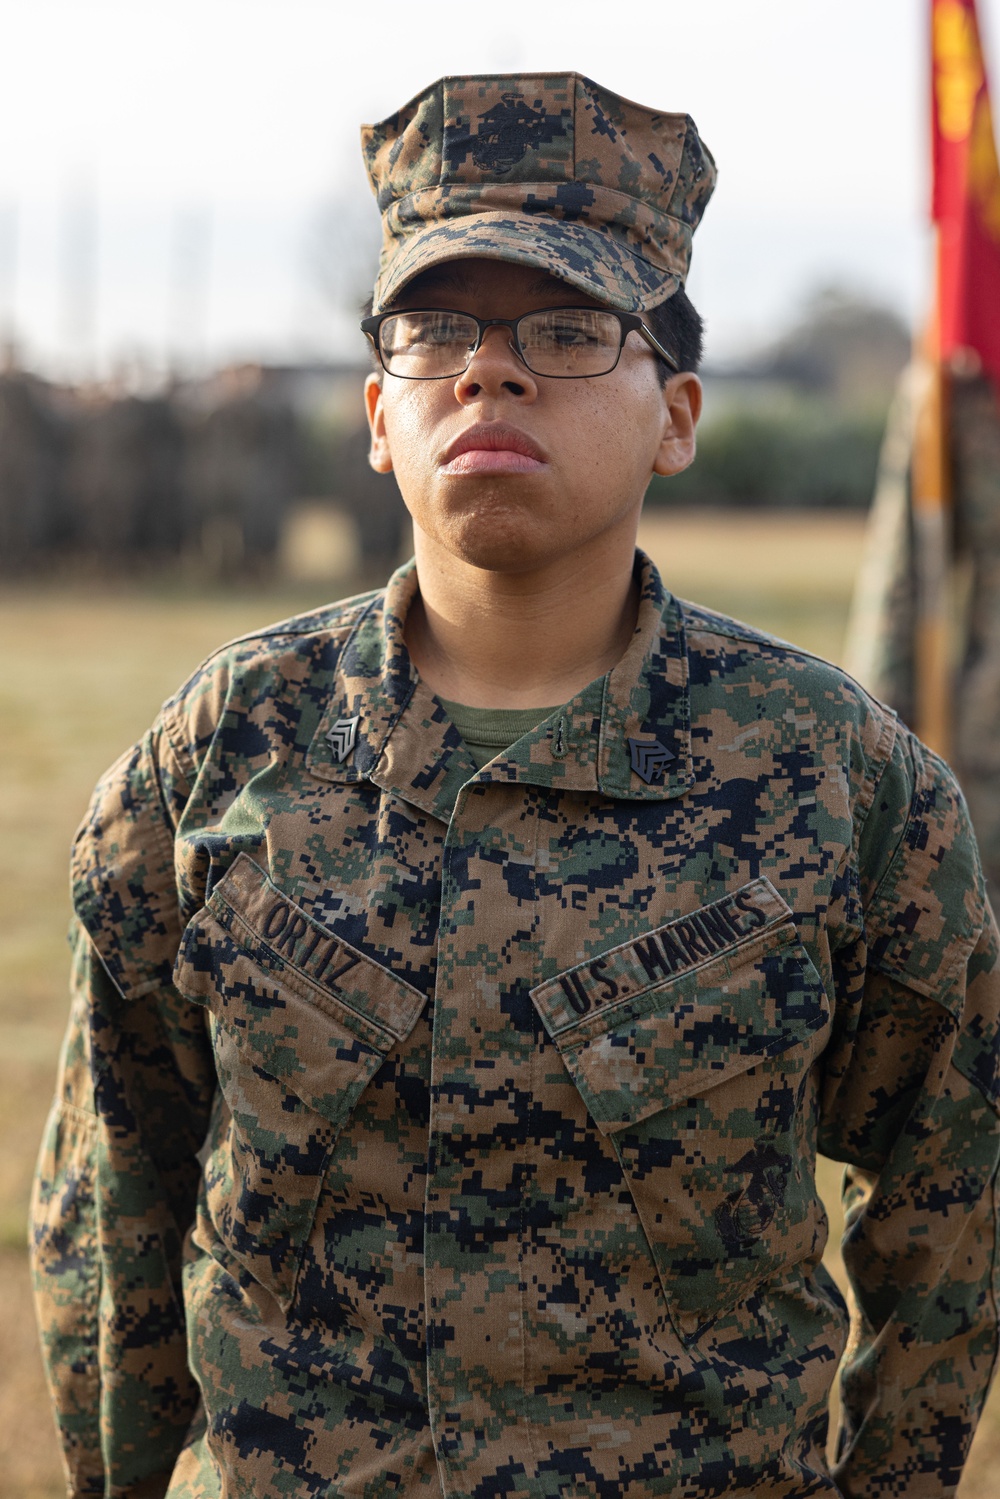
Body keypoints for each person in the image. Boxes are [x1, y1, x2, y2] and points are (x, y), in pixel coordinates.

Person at [30, 72, 1000, 1499]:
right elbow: (115, 1206)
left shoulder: (839, 785)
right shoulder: (220, 756)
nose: (491, 371)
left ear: (677, 415)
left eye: (567, 329)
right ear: (377, 411)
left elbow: (949, 1211)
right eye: (436, 332)